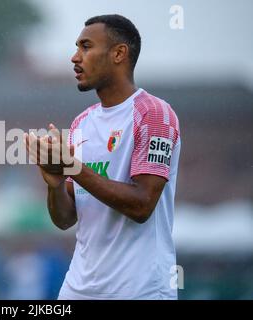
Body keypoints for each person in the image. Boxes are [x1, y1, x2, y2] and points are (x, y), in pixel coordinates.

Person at [24, 14, 181, 299]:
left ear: (119, 53)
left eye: (86, 47)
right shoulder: (81, 124)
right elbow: (65, 218)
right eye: (77, 47)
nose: (75, 57)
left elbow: (142, 205)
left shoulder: (154, 114)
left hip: (139, 290)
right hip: (78, 290)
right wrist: (55, 183)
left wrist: (73, 167)